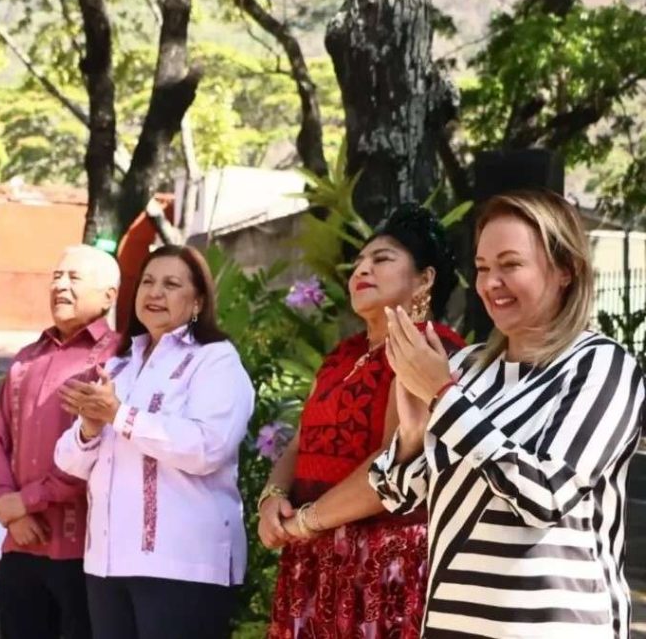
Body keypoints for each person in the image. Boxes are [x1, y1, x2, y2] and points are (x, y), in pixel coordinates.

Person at [371, 190, 645, 638]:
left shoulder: (601, 364)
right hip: (451, 623)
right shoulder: (464, 368)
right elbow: (397, 494)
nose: (490, 283)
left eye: (510, 264)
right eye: (481, 268)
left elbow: (547, 494)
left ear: (565, 270)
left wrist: (443, 396)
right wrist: (414, 434)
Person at [263, 203, 465, 638]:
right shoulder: (344, 354)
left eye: (382, 258)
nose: (362, 269)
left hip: (382, 562)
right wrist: (271, 499)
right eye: (358, 262)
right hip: (313, 553)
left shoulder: (428, 350)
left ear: (425, 279)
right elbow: (300, 442)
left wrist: (305, 522)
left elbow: (394, 462)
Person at [54, 244, 254, 639]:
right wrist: (91, 427)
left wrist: (120, 416)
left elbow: (208, 447)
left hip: (183, 564)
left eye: (170, 284)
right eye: (147, 282)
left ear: (197, 301)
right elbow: (69, 462)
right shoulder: (121, 365)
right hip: (108, 561)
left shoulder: (215, 359)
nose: (154, 293)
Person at [0, 245, 122, 639]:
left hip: (85, 550)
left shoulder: (119, 358)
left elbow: (98, 451)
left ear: (109, 296)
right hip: (20, 542)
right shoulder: (26, 358)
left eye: (74, 278)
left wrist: (25, 501)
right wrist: (12, 510)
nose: (60, 285)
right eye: (56, 277)